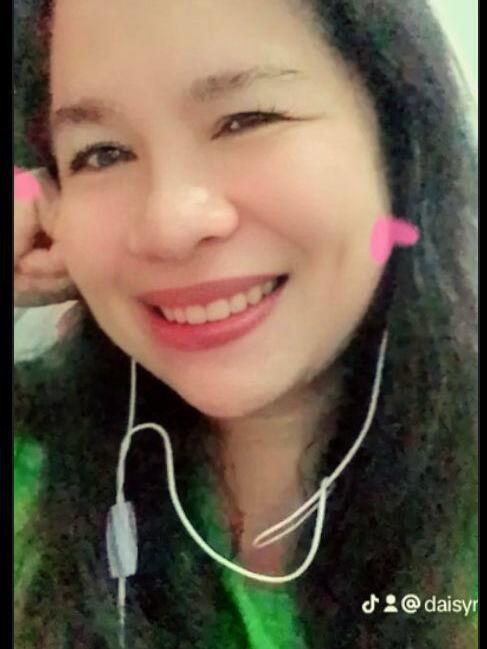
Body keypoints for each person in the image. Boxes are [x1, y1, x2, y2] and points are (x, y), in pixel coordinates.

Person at [14, 0, 478, 647]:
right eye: (102, 153)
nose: (169, 224)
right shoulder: (33, 466)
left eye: (245, 120)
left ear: (399, 138)